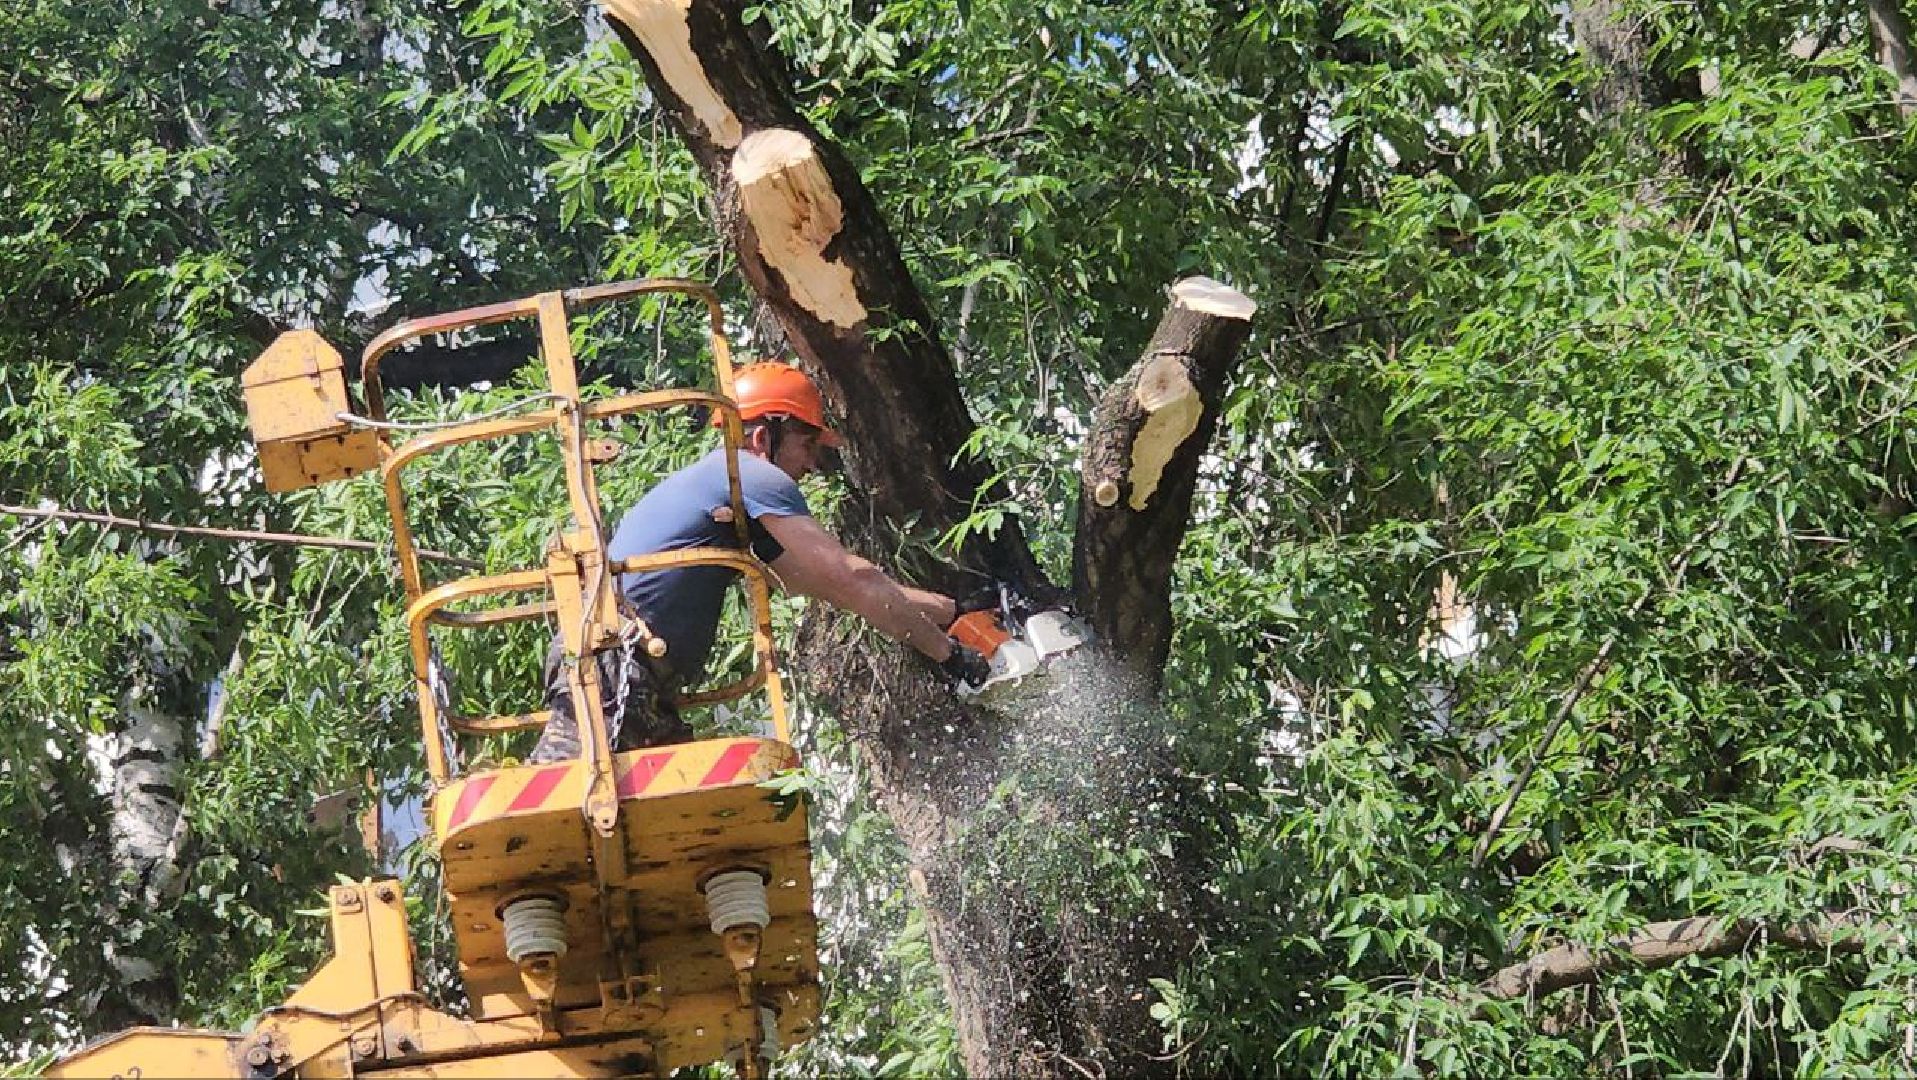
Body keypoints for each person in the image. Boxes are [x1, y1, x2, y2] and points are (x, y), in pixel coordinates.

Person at [530, 360, 989, 762]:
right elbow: (851, 577)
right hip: (613, 666)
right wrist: (951, 657)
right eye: (808, 444)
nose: (812, 464)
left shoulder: (727, 494)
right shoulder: (750, 475)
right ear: (763, 436)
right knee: (560, 801)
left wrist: (953, 611)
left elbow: (820, 583)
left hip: (633, 672)